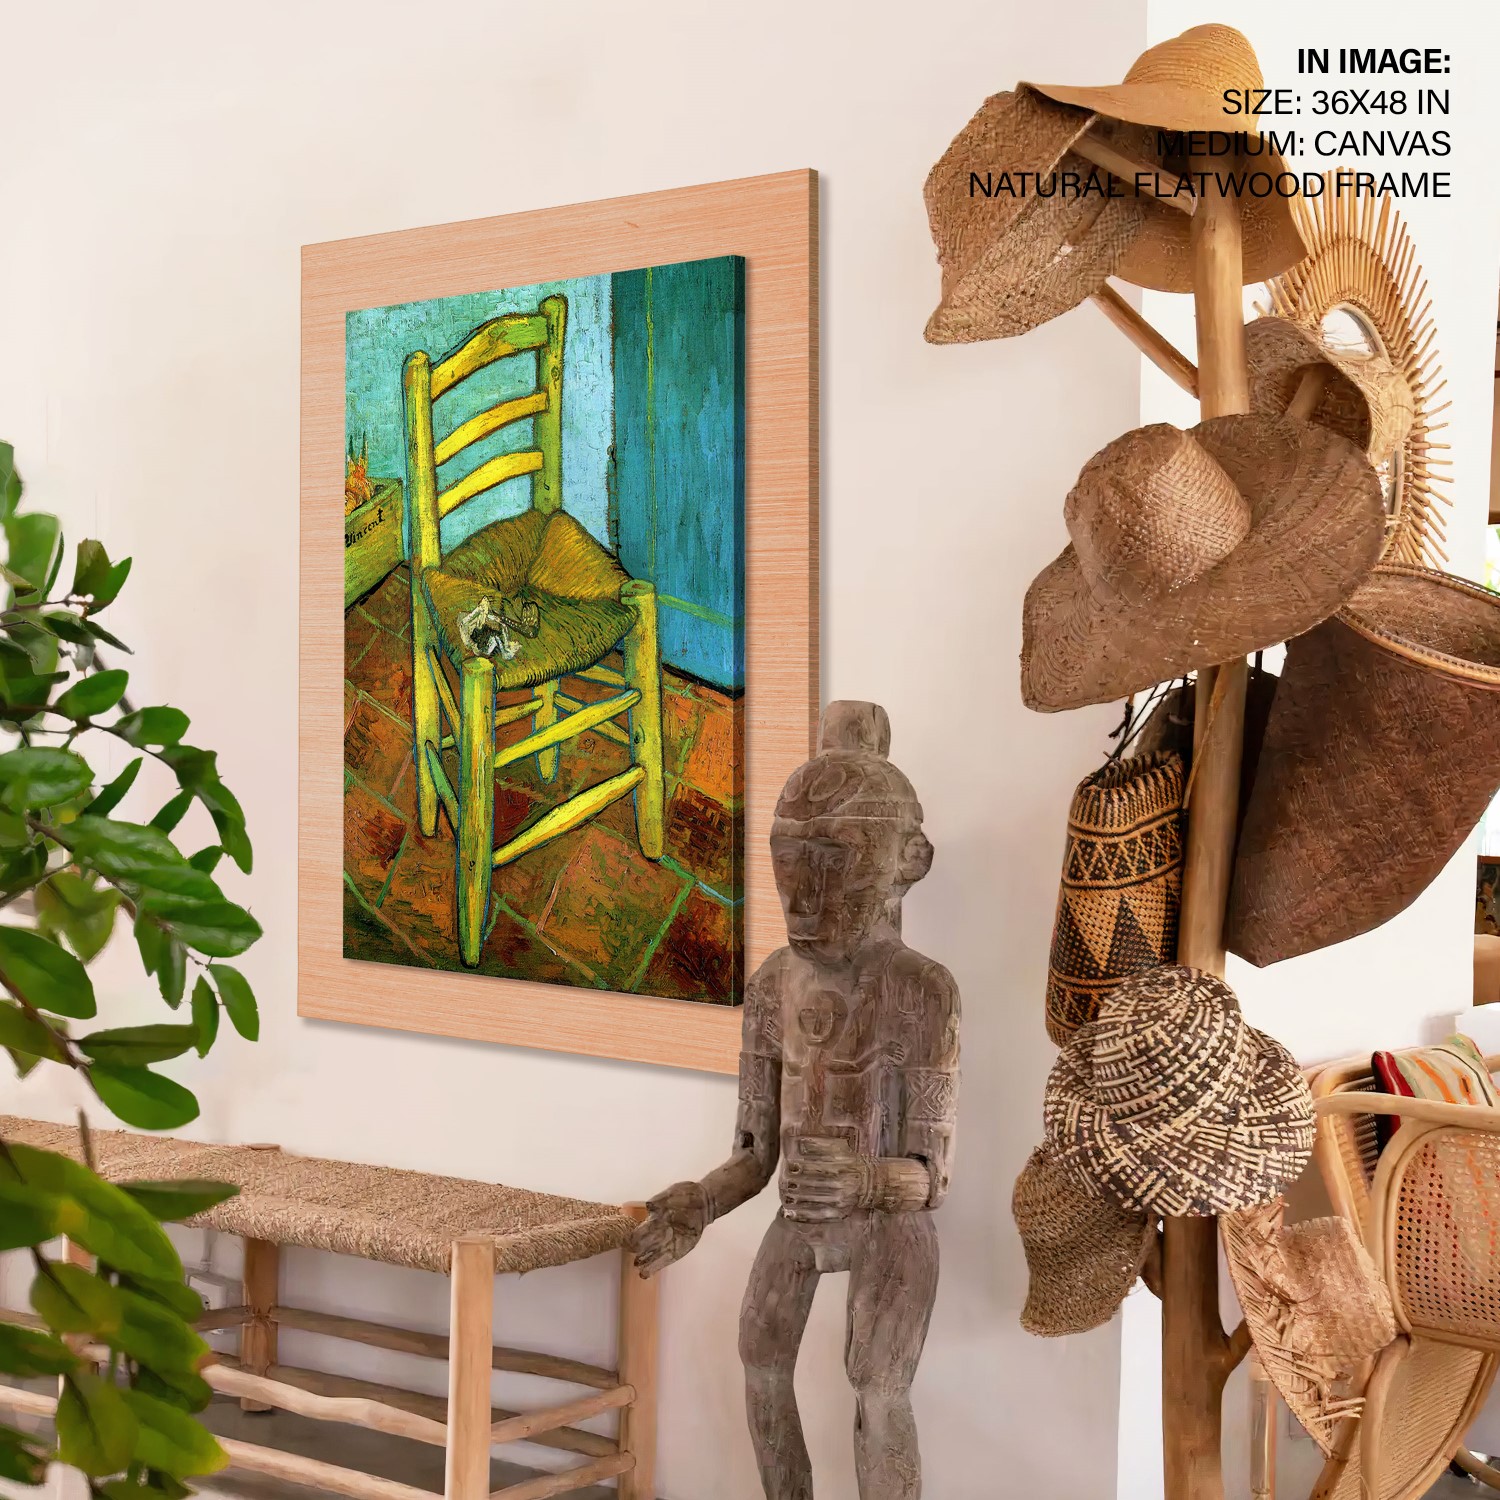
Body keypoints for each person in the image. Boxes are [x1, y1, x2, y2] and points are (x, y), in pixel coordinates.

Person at [632, 701, 960, 1500]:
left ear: (906, 861)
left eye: (836, 859)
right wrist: (703, 1201)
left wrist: (866, 1182)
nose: (805, 894)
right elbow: (755, 1156)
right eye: (790, 858)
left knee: (878, 1384)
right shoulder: (773, 985)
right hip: (802, 1215)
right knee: (760, 1358)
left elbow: (931, 1176)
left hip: (889, 1223)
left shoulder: (923, 991)